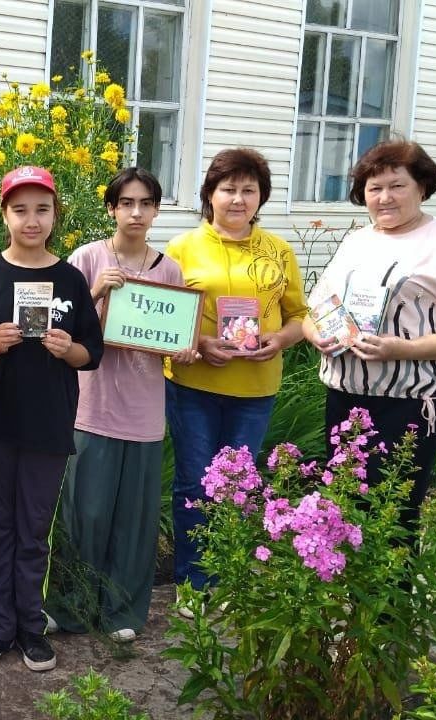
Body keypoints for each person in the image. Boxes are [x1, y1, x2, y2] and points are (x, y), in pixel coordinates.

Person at [302, 140, 436, 530]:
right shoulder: (357, 241)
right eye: (374, 188)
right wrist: (316, 335)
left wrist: (403, 349)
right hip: (344, 397)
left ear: (422, 187)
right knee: (343, 512)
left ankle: (390, 591)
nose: (384, 197)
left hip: (408, 405)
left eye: (397, 185)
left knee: (394, 516)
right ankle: (347, 592)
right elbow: (317, 310)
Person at [0, 166, 103, 672]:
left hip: (48, 426)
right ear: (4, 214)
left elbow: (95, 352)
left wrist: (69, 351)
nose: (31, 220)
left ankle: (31, 625)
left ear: (54, 214)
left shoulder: (69, 278)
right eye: (20, 209)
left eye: (41, 209)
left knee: (34, 530)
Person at [48, 167, 194, 642]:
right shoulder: (87, 258)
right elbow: (59, 327)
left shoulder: (167, 270)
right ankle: (71, 608)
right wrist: (95, 291)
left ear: (156, 210)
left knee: (135, 520)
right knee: (84, 514)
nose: (136, 212)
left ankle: (123, 614)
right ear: (111, 208)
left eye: (146, 203)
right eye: (126, 203)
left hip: (145, 410)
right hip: (91, 407)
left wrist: (183, 348)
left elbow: (171, 337)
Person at [166, 148, 308, 608]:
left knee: (239, 487)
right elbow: (167, 318)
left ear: (260, 198)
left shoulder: (278, 251)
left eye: (249, 190)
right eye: (228, 189)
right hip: (193, 386)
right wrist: (200, 343)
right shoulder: (181, 248)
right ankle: (192, 582)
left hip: (255, 388)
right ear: (210, 194)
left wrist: (280, 340)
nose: (238, 199)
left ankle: (227, 576)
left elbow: (299, 316)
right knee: (193, 484)